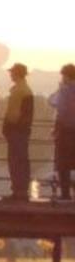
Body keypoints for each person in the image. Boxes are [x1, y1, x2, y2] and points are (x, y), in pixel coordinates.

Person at [6, 63, 36, 200]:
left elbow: (14, 113)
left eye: (12, 72)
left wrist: (8, 127)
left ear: (16, 73)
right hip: (20, 130)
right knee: (21, 159)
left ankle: (19, 190)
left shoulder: (20, 90)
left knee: (16, 160)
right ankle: (21, 190)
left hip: (17, 130)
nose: (10, 74)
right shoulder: (24, 89)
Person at [52, 64, 75, 201]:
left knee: (63, 164)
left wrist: (60, 88)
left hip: (65, 131)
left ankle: (65, 194)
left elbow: (53, 102)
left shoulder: (64, 91)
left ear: (65, 76)